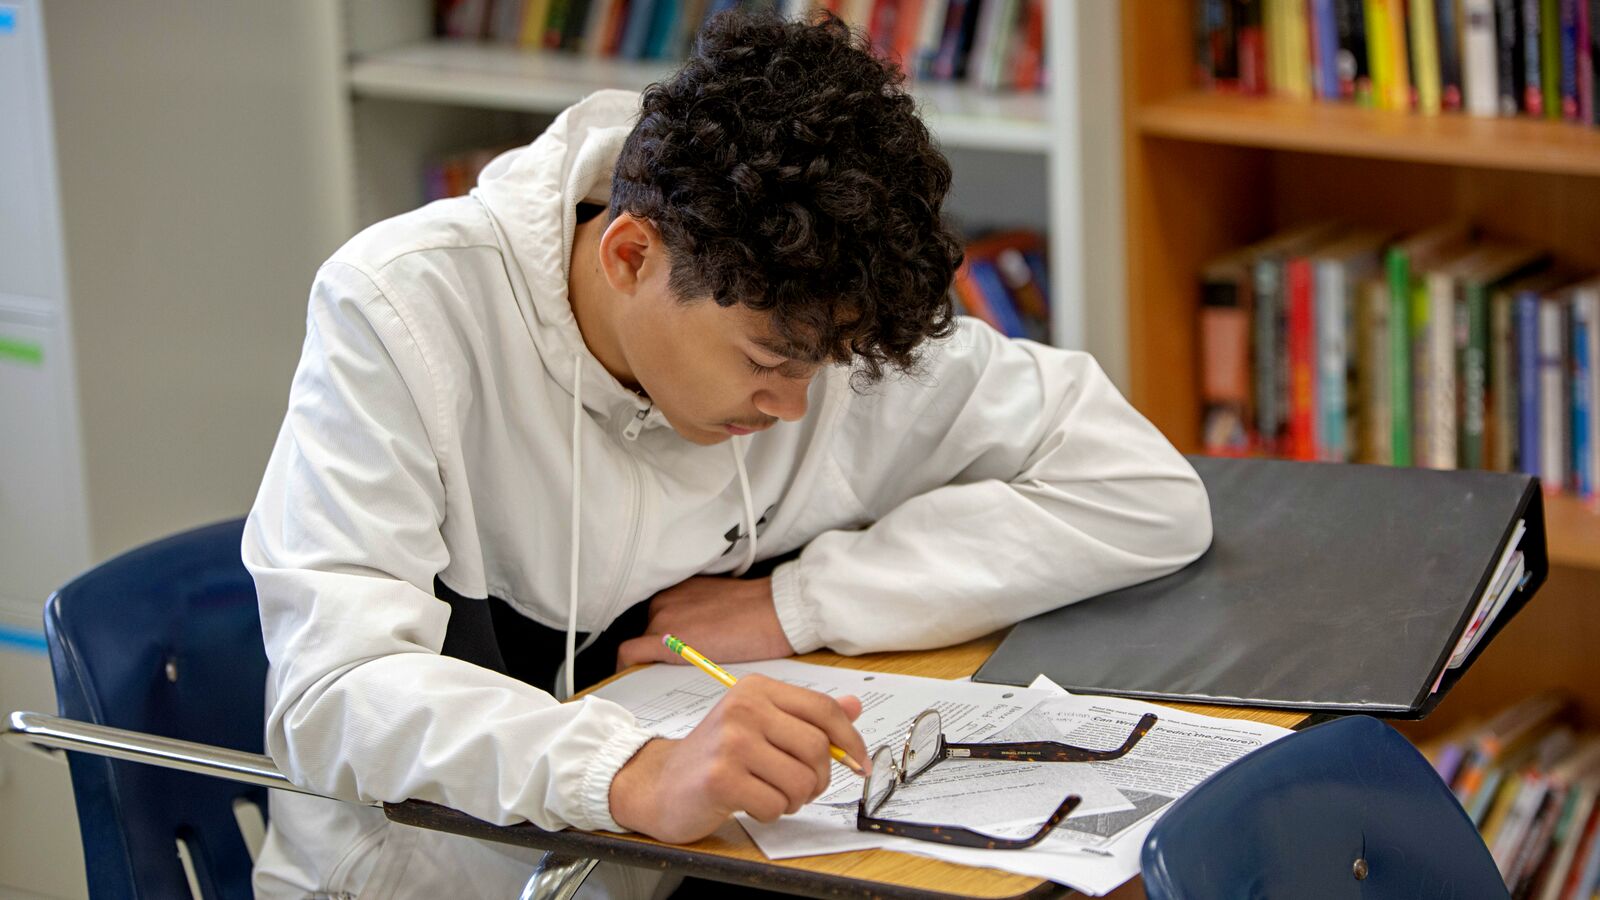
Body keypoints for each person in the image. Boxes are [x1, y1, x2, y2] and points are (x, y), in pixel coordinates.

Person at [244, 10, 1211, 899]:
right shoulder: (404, 310)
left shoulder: (807, 312)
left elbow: (1140, 491)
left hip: (706, 868)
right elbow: (332, 692)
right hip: (432, 879)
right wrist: (630, 770)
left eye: (822, 365)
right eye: (765, 360)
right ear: (630, 256)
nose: (792, 405)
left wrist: (798, 604)